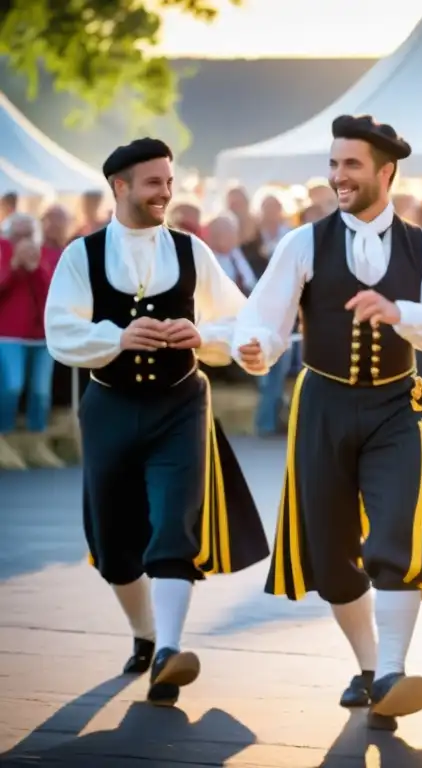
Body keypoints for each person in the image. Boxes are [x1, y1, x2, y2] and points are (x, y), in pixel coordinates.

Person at [232, 114, 422, 725]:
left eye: (351, 165)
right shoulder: (303, 242)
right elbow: (261, 316)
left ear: (385, 171)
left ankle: (394, 670)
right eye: (334, 163)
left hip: (398, 406)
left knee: (398, 530)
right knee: (331, 554)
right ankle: (372, 668)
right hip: (322, 406)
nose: (338, 176)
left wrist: (400, 311)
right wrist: (256, 347)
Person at [43, 138, 270, 707]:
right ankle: (146, 635)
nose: (165, 192)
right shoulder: (82, 255)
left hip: (180, 403)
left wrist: (205, 335)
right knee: (114, 543)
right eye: (153, 183)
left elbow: (239, 318)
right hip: (109, 406)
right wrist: (115, 338)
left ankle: (169, 651)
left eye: (169, 181)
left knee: (175, 522)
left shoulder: (192, 250)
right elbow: (59, 331)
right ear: (119, 186)